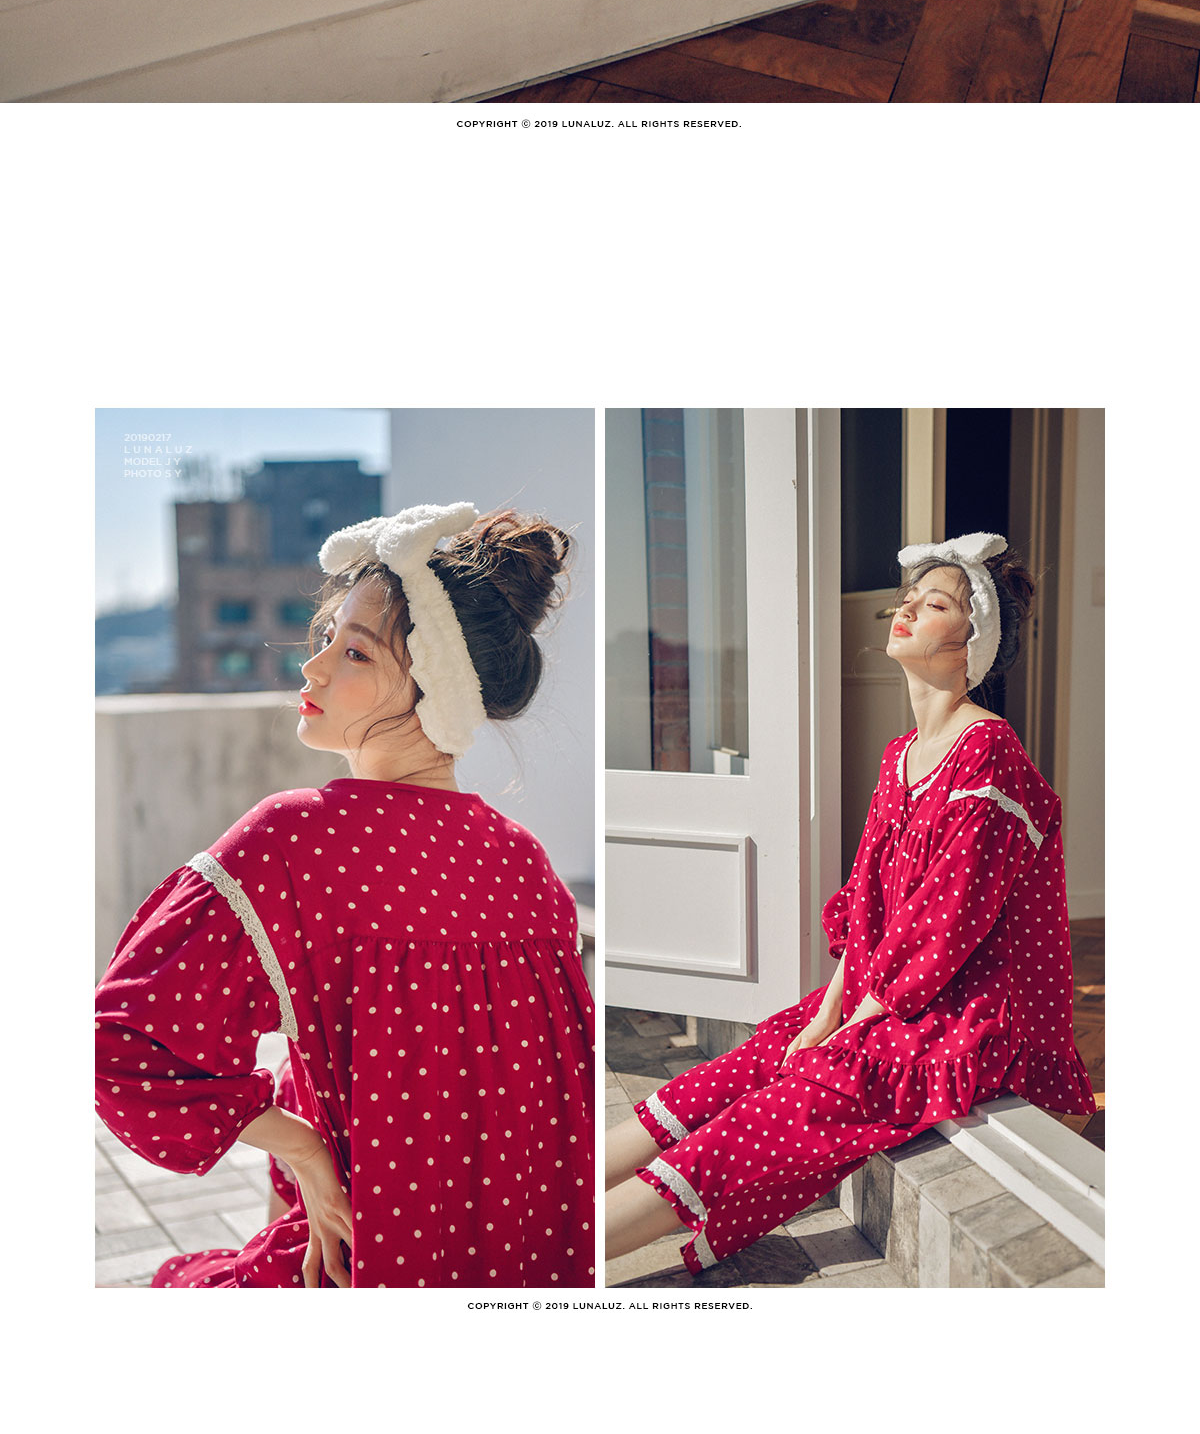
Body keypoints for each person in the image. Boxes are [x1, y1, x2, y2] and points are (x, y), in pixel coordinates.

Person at [95, 502, 595, 1288]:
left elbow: (123, 1046)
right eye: (326, 635)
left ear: (437, 686)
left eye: (355, 650)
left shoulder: (296, 838)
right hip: (523, 1264)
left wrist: (305, 1149)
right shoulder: (527, 865)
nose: (314, 666)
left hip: (364, 1260)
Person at [605, 531, 1094, 1278]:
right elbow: (868, 908)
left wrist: (854, 1028)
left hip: (966, 1015)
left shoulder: (989, 753)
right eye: (908, 598)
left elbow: (945, 929)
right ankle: (539, 1202)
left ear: (972, 642)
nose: (908, 610)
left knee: (766, 1115)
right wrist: (827, 1014)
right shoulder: (900, 756)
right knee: (733, 1070)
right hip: (893, 995)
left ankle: (545, 1253)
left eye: (935, 604)